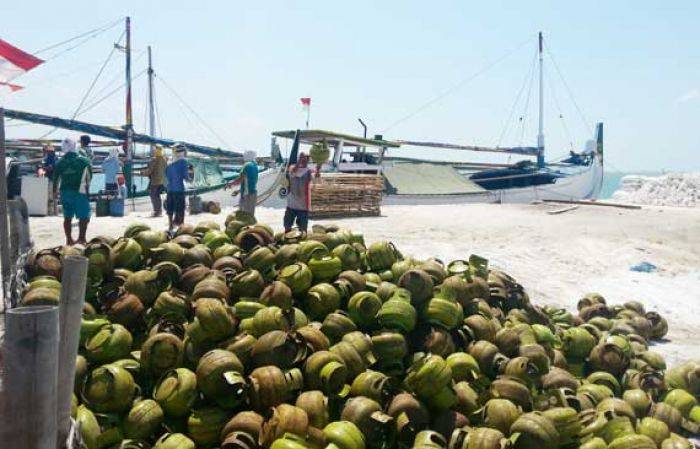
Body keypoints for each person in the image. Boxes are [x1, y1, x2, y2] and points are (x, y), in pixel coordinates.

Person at [52, 138, 92, 245]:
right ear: (75, 146)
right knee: (84, 216)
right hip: (80, 191)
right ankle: (81, 239)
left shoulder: (60, 162)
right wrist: (87, 189)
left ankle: (69, 240)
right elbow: (89, 177)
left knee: (67, 217)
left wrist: (54, 192)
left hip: (65, 192)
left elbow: (55, 179)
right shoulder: (84, 161)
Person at [284, 152, 319, 233]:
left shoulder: (309, 171)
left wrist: (319, 168)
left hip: (303, 206)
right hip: (291, 204)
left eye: (305, 158)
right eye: (301, 158)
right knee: (287, 226)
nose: (303, 160)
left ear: (308, 160)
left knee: (303, 229)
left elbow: (316, 179)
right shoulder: (292, 168)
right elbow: (293, 172)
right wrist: (299, 162)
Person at [225, 150, 259, 217]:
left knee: (243, 216)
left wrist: (230, 183)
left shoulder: (246, 165)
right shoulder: (255, 166)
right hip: (253, 193)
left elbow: (240, 179)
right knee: (250, 217)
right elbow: (251, 182)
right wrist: (239, 191)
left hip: (246, 195)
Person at [165, 145, 191, 230]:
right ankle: (181, 227)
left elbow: (166, 177)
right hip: (179, 189)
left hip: (169, 190)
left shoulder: (169, 163)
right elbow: (186, 178)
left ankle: (170, 225)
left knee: (170, 209)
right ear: (183, 152)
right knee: (180, 209)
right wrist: (190, 178)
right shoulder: (183, 161)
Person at [144, 146, 167, 217]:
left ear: (156, 151)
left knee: (153, 196)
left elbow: (149, 171)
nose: (154, 151)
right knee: (157, 196)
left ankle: (156, 211)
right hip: (162, 181)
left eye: (154, 150)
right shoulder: (164, 159)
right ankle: (159, 211)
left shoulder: (154, 159)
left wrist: (143, 173)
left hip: (155, 181)